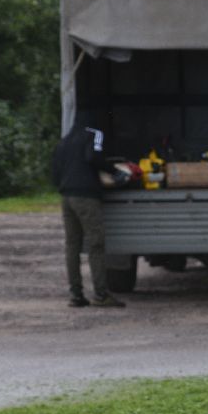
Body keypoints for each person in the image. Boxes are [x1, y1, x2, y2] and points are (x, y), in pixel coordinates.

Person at [50, 121, 124, 308]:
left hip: (66, 197)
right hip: (86, 197)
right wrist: (115, 171)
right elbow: (93, 157)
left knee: (72, 245)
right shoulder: (95, 134)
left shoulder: (64, 141)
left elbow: (54, 172)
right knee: (96, 244)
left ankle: (76, 295)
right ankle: (101, 295)